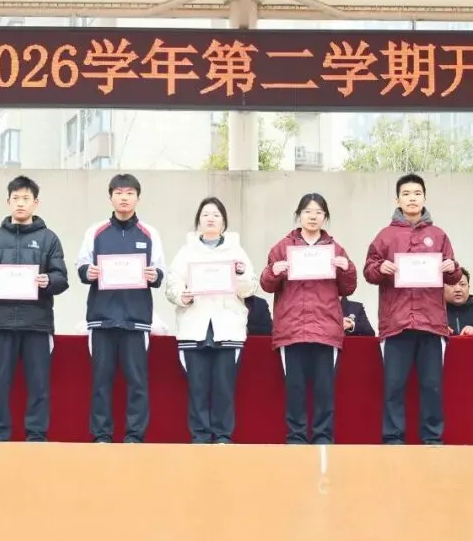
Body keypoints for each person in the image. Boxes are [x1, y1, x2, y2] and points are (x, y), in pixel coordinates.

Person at [364, 173, 462, 446]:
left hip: (432, 322)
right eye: (406, 194)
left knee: (432, 386)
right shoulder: (385, 236)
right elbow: (369, 272)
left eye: (417, 193)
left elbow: (454, 274)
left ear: (425, 198)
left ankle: (432, 438)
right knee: (394, 386)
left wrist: (452, 268)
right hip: (396, 323)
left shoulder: (439, 235)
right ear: (397, 199)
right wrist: (380, 268)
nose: (412, 199)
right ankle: (393, 438)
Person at [0, 175, 69, 442]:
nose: (21, 203)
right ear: (8, 202)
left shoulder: (49, 239)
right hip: (1, 323)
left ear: (36, 203)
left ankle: (36, 436)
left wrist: (49, 280)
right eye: (16, 198)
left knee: (39, 385)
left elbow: (61, 278)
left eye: (26, 198)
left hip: (37, 323)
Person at [75, 173, 167, 443]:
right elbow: (81, 266)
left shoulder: (150, 233)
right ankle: (101, 435)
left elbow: (160, 271)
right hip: (101, 318)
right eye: (118, 193)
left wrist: (154, 275)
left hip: (136, 319)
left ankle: (134, 436)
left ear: (138, 198)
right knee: (100, 382)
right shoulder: (95, 231)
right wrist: (88, 272)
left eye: (129, 193)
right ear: (110, 197)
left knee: (137, 382)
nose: (124, 198)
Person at [260, 193, 357, 445]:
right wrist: (273, 271)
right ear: (299, 215)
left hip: (326, 329)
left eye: (318, 212)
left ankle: (323, 436)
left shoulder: (335, 249)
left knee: (325, 389)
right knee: (295, 388)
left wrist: (347, 268)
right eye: (307, 211)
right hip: (291, 329)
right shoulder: (282, 247)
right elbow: (267, 285)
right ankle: (297, 436)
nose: (313, 217)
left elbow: (348, 288)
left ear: (325, 217)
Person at [164, 197, 258, 444]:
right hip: (194, 326)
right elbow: (172, 284)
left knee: (224, 387)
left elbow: (250, 288)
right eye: (205, 214)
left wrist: (239, 274)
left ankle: (223, 435)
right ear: (198, 220)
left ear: (224, 222)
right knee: (197, 387)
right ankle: (200, 436)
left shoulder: (236, 252)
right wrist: (182, 296)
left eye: (216, 215)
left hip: (227, 327)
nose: (210, 219)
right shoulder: (186, 251)